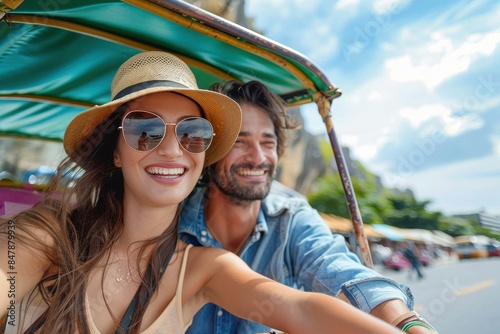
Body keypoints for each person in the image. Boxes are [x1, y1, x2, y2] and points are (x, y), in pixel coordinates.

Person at [0, 51, 403, 334]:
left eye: (193, 133)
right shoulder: (48, 237)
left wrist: (406, 325)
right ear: (116, 152)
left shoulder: (206, 267)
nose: (173, 149)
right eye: (145, 131)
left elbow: (298, 307)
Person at [179, 80, 438, 334]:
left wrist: (406, 323)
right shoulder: (171, 217)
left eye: (268, 143)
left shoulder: (291, 218)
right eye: (239, 141)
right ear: (211, 150)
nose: (258, 158)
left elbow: (336, 265)